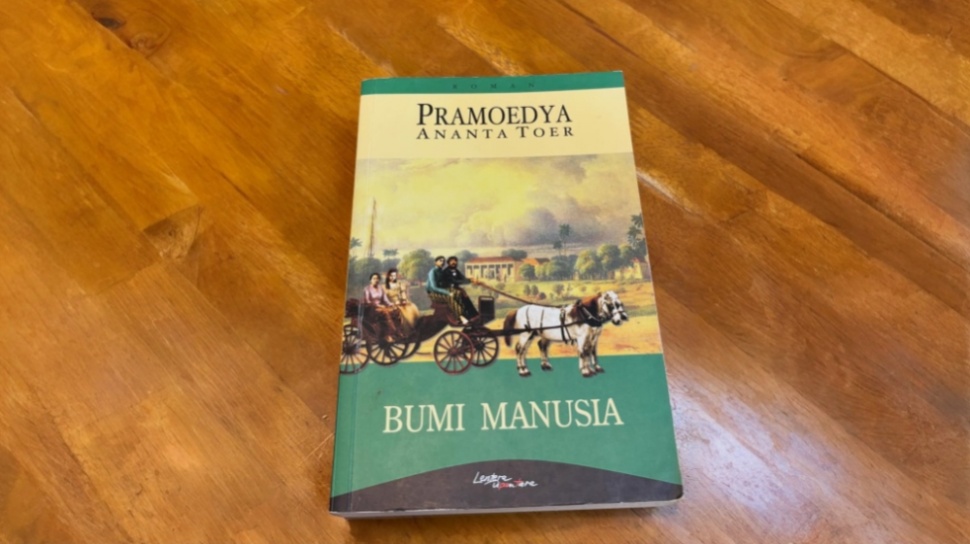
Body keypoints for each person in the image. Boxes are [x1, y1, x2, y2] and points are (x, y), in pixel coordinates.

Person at [442, 256, 479, 324]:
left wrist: (471, 280)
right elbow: (454, 281)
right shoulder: (446, 272)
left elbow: (463, 278)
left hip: (455, 289)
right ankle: (464, 316)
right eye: (452, 261)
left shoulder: (456, 271)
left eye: (455, 261)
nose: (454, 262)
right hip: (447, 289)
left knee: (465, 296)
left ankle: (474, 315)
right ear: (448, 263)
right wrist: (469, 281)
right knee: (459, 295)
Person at [362, 272, 396, 342]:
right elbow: (367, 301)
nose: (376, 280)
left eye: (377, 278)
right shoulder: (367, 289)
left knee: (395, 311)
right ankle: (388, 334)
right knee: (385, 312)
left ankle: (396, 331)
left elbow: (385, 299)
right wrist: (377, 305)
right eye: (374, 278)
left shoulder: (381, 288)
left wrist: (391, 304)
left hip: (381, 307)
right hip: (371, 309)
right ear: (370, 280)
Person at [385, 268, 418, 334]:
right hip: (391, 304)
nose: (393, 277)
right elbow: (385, 298)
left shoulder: (399, 284)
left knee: (411, 308)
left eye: (394, 276)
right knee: (400, 313)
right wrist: (392, 303)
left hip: (401, 302)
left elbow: (403, 293)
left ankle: (413, 328)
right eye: (391, 276)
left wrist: (404, 300)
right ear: (388, 276)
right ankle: (404, 331)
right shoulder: (385, 287)